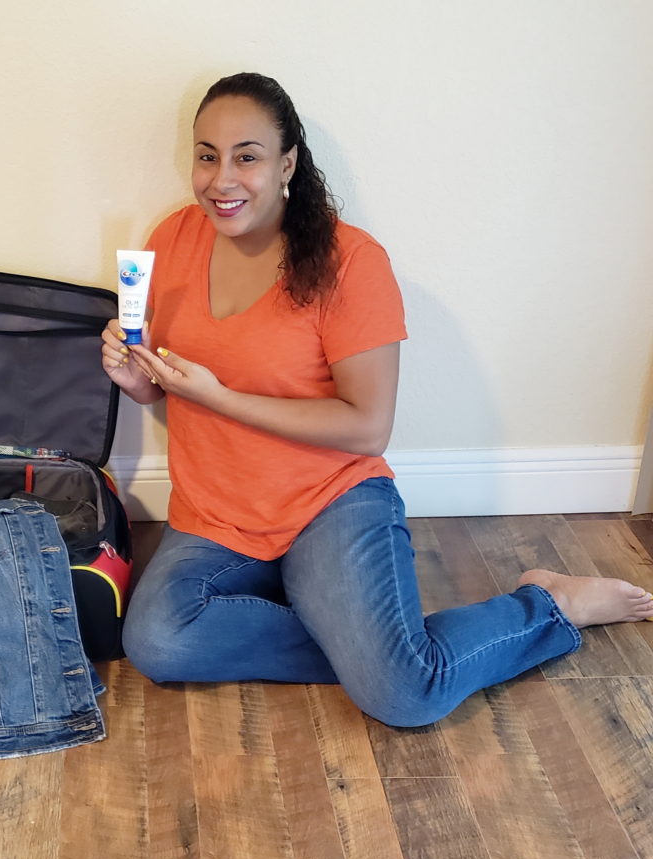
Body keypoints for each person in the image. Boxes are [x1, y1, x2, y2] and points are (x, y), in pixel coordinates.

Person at [100, 72, 653, 727]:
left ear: (287, 162)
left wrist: (223, 397)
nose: (222, 178)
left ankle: (550, 605)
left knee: (406, 694)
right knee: (157, 642)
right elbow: (174, 389)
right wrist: (141, 386)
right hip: (218, 516)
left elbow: (368, 427)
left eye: (246, 156)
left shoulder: (350, 261)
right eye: (206, 155)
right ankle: (373, 643)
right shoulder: (172, 240)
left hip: (329, 503)